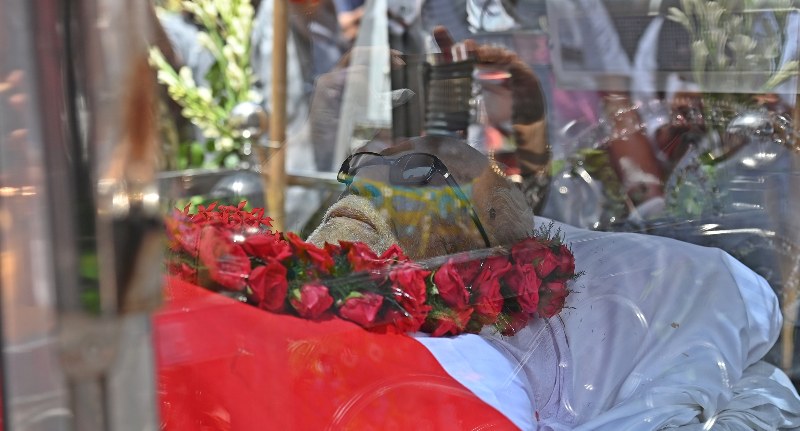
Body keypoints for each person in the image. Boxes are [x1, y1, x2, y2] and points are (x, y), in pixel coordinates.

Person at [306, 134, 800, 429]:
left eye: (419, 173)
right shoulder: (292, 293)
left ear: (489, 227)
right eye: (365, 163)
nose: (371, 183)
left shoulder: (489, 367)